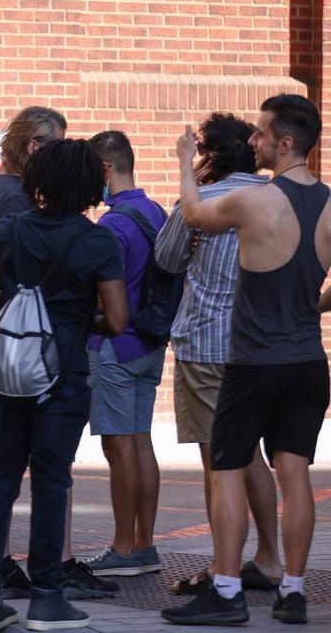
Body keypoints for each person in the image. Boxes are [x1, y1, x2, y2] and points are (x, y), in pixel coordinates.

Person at [162, 94, 330, 627]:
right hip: (307, 361)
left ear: (285, 143)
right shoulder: (330, 202)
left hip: (254, 361)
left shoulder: (255, 202)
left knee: (228, 469)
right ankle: (294, 592)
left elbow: (192, 214)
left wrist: (187, 162)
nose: (252, 141)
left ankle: (228, 589)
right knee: (294, 473)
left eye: (260, 134)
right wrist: (308, 304)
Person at [0, 138, 128, 632]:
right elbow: (118, 321)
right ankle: (48, 597)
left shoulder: (11, 229)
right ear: (88, 185)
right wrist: (77, 317)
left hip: (14, 372)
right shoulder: (97, 241)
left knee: (0, 482)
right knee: (52, 482)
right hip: (64, 376)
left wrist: (19, 309)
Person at [153, 112, 282, 597]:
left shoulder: (201, 197)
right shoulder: (279, 197)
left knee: (218, 463)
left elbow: (166, 261)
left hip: (206, 343)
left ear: (209, 156)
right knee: (251, 456)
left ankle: (220, 566)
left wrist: (192, 176)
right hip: (258, 344)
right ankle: (269, 557)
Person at [82, 131, 167, 577]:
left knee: (119, 448)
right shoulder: (154, 211)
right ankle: (145, 544)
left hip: (116, 345)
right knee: (140, 441)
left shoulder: (112, 225)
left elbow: (102, 295)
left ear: (106, 170)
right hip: (150, 343)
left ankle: (123, 548)